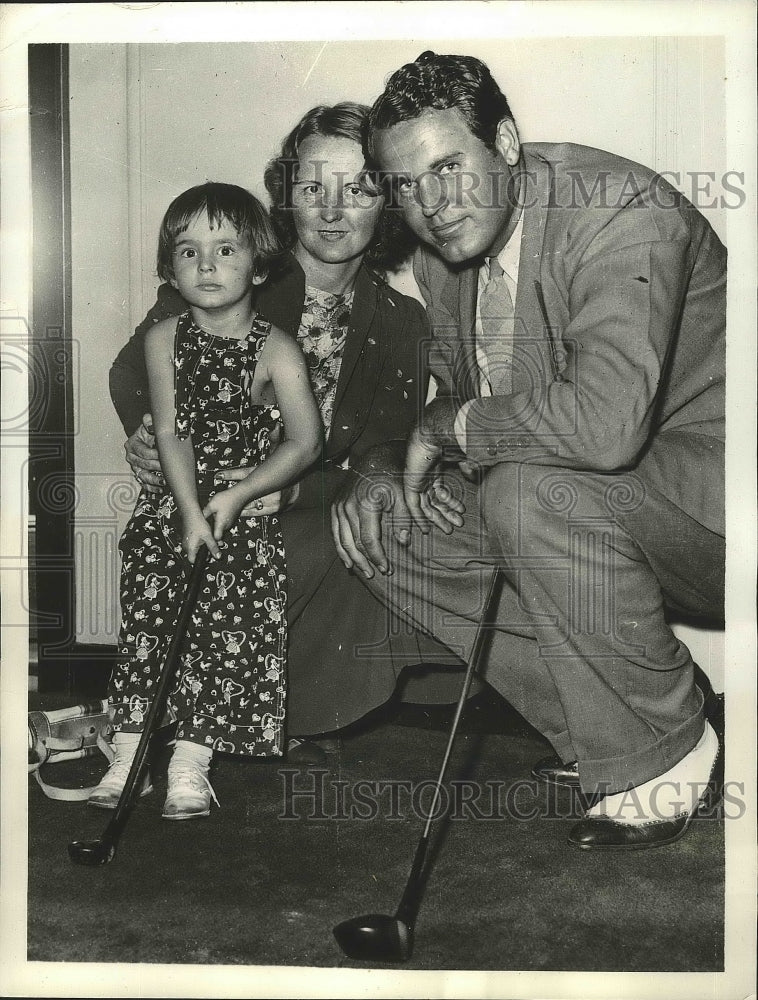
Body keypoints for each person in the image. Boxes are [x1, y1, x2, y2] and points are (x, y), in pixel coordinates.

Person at [332, 51, 726, 849]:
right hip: (611, 501)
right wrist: (381, 464)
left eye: (450, 168)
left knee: (523, 492)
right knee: (386, 529)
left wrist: (446, 426)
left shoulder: (621, 208)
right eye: (407, 185)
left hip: (724, 509)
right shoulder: (450, 256)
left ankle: (666, 752)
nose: (433, 206)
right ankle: (614, 737)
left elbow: (603, 426)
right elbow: (476, 408)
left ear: (507, 142)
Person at [108, 104, 461, 756]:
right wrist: (146, 428)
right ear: (287, 197)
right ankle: (179, 716)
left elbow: (380, 451)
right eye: (311, 189)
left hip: (301, 505)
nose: (331, 211)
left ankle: (222, 714)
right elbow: (134, 370)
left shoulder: (402, 321)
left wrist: (299, 491)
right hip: (206, 504)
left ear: (387, 201)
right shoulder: (233, 272)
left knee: (383, 533)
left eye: (357, 189)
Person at [89, 182, 322, 819]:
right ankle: (130, 754)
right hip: (176, 504)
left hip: (240, 515)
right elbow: (170, 431)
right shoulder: (162, 339)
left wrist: (242, 494)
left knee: (227, 634)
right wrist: (190, 513)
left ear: (259, 261)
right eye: (188, 252)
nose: (207, 265)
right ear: (170, 267)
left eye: (225, 249)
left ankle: (190, 765)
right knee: (150, 629)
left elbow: (304, 442)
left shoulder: (277, 349)